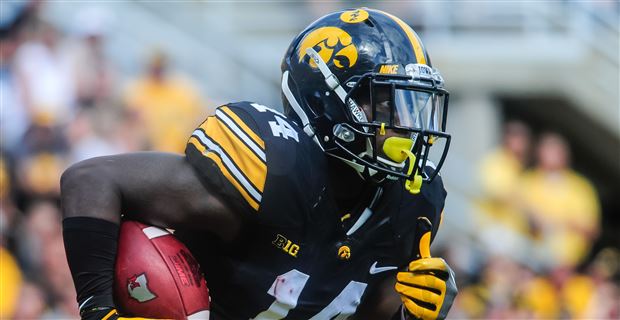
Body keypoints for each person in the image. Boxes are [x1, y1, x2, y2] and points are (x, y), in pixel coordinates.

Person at [61, 8, 457, 320]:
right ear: (327, 101)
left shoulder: (410, 205)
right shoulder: (276, 172)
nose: (405, 126)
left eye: (410, 106)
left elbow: (369, 312)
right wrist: (99, 310)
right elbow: (91, 180)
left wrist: (415, 315)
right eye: (386, 105)